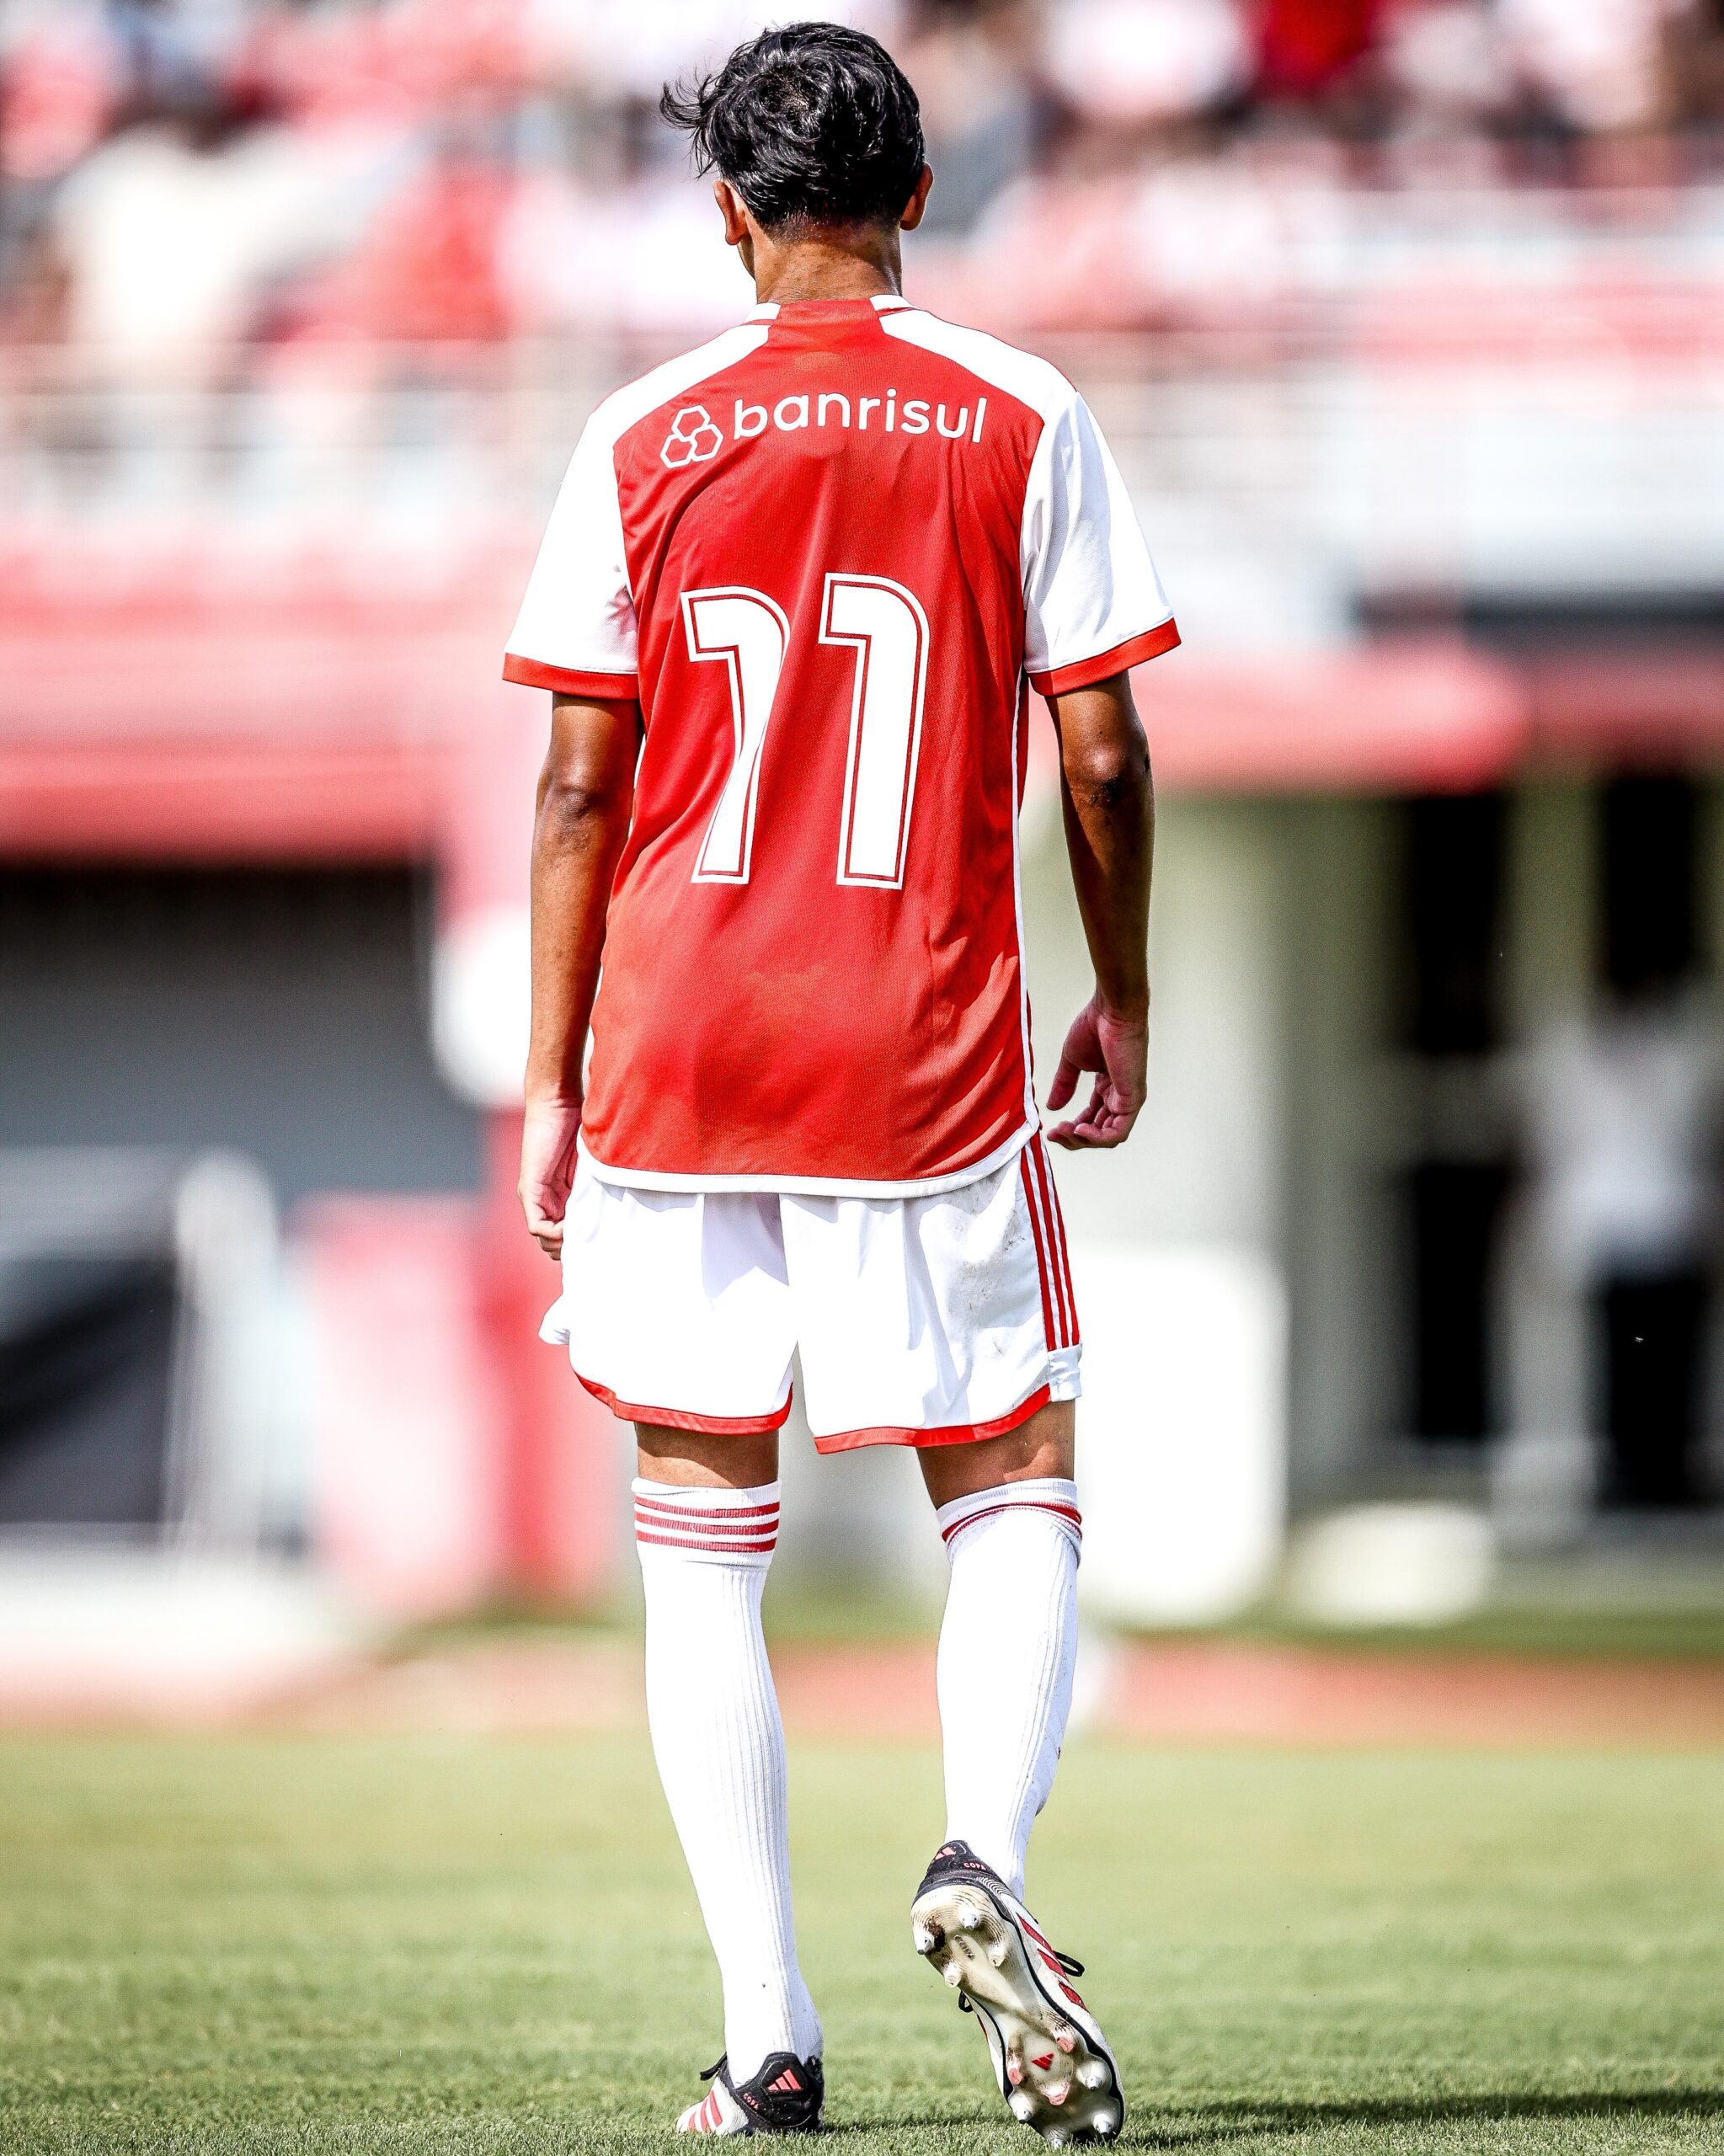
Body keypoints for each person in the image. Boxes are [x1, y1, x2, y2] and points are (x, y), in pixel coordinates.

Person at [504, 22, 1175, 2143]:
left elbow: (577, 777)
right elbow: (1101, 745)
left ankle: (765, 2040)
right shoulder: (1020, 409)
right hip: (923, 1040)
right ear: (919, 196)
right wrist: (1126, 992)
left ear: (725, 212)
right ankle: (981, 1847)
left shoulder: (638, 425)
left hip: (681, 1038)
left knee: (702, 1536)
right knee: (1011, 1474)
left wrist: (547, 1075)